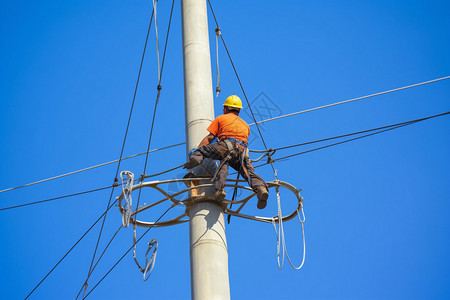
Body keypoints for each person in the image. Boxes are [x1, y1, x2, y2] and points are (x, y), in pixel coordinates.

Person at [184, 95, 269, 209]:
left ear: (226, 109)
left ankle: (218, 188)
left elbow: (209, 138)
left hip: (225, 146)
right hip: (241, 151)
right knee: (247, 172)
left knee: (219, 160)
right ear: (238, 111)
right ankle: (261, 188)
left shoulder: (221, 118)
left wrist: (196, 152)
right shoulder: (245, 125)